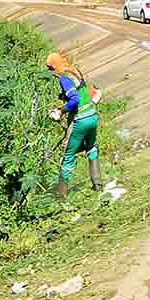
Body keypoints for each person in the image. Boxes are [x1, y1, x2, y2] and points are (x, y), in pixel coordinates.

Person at [47, 51, 103, 199]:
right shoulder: (74, 70)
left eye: (50, 69)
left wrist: (60, 111)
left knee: (68, 156)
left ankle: (61, 197)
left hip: (80, 120)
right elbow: (82, 92)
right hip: (92, 115)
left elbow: (75, 99)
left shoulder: (64, 78)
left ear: (53, 67)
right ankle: (98, 185)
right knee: (92, 147)